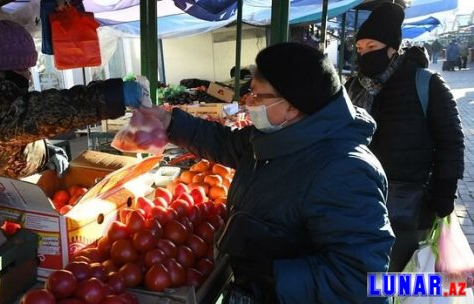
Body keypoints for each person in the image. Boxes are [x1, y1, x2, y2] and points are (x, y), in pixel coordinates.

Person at [142, 42, 394, 303]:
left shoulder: (344, 171)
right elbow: (225, 143)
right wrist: (170, 123)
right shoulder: (276, 137)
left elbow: (361, 280)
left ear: (292, 106)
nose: (248, 102)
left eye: (257, 95)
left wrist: (271, 275)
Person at [0, 20, 149, 193]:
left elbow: (6, 141)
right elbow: (47, 111)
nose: (28, 75)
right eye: (22, 68)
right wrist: (114, 95)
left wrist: (45, 153)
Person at [346, 3, 464, 272]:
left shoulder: (426, 83)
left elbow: (451, 141)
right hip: (356, 197)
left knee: (402, 271)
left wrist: (443, 189)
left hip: (408, 203)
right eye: (360, 49)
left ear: (392, 49)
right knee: (365, 273)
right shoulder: (352, 86)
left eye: (372, 48)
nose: (364, 55)